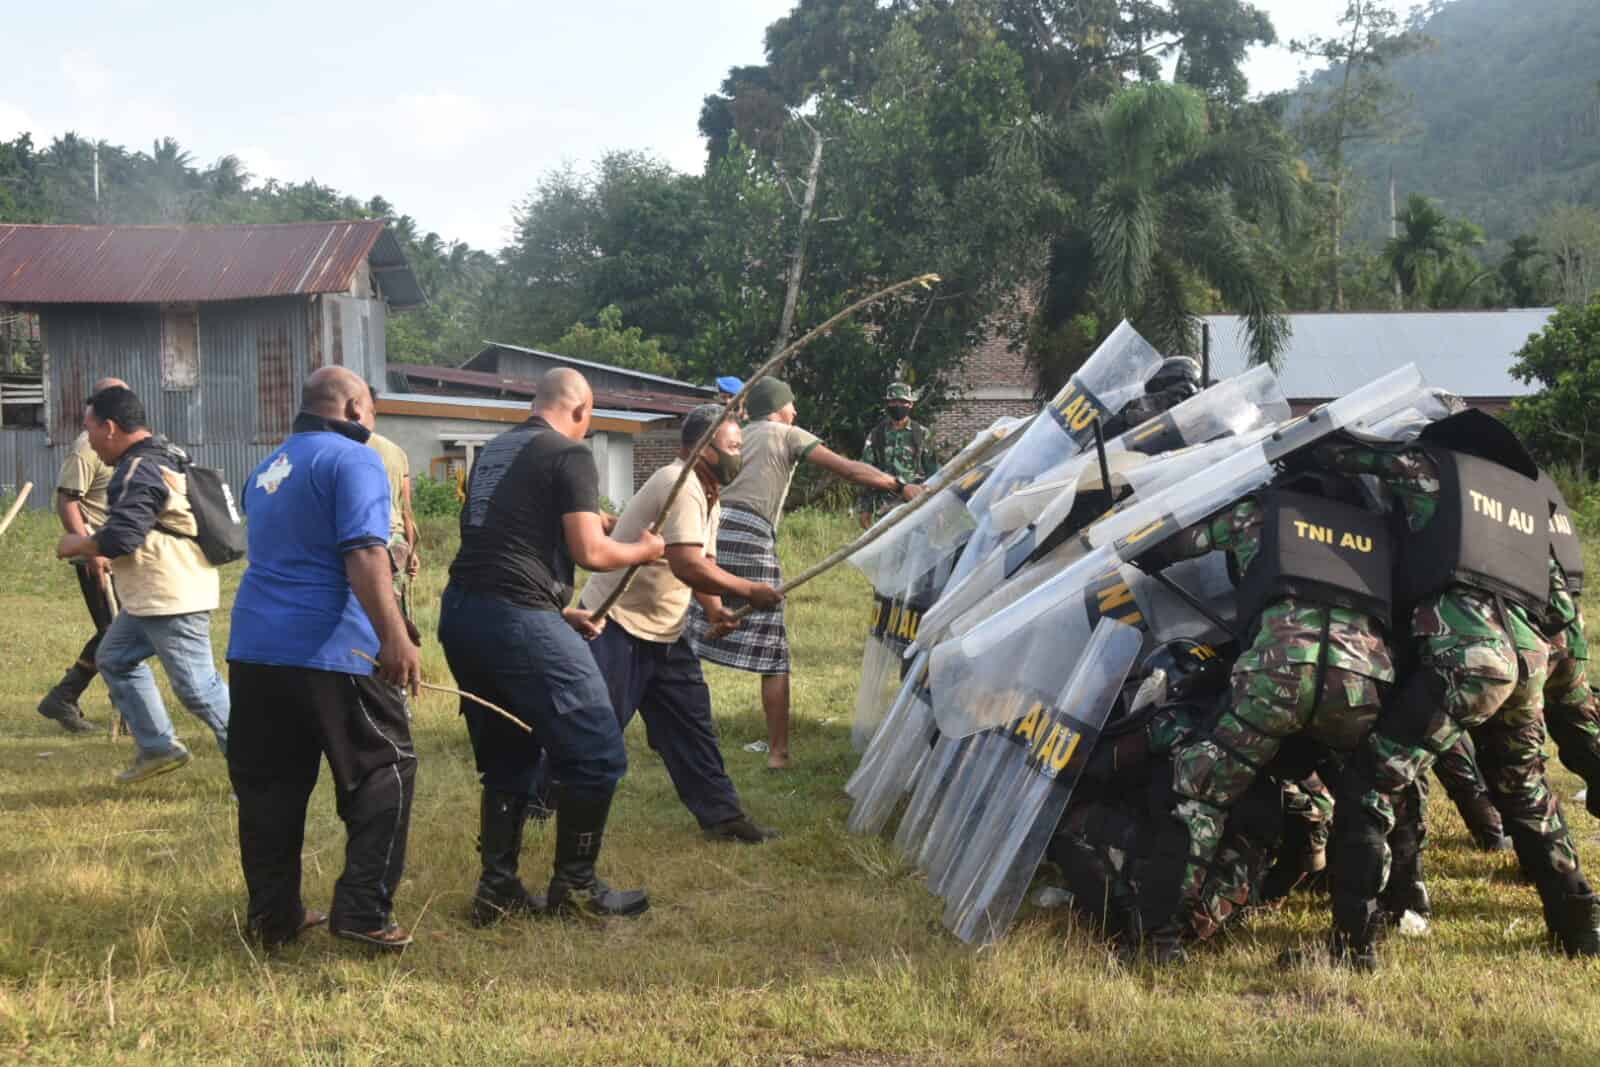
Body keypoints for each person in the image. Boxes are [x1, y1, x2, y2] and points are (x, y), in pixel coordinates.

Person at [1318, 410, 1599, 966]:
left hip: (1465, 659)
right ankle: (1581, 925)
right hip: (1527, 663)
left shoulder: (1431, 470)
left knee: (1371, 786)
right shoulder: (1522, 508)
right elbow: (1562, 608)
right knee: (1527, 794)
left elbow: (1341, 456)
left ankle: (1352, 946)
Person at [1133, 469, 1396, 960]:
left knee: (1201, 792)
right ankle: (1358, 946)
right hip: (1360, 681)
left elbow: (1169, 544)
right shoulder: (1377, 532)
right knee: (1365, 803)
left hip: (1278, 672)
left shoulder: (1261, 513)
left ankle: (1161, 941)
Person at [438, 368, 665, 925]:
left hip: (466, 615)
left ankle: (497, 889)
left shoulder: (495, 451)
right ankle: (576, 888)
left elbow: (503, 544)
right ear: (582, 411)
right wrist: (644, 548)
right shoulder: (569, 454)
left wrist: (558, 610)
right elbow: (591, 551)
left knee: (508, 757)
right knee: (597, 752)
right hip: (513, 619)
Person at [226, 367, 422, 952]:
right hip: (332, 647)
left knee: (269, 787)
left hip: (257, 649)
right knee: (383, 769)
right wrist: (393, 637)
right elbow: (363, 551)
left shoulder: (268, 469)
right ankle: (363, 911)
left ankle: (275, 918)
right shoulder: (354, 458)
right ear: (356, 406)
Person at [686, 377, 920, 770]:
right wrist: (899, 486)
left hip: (712, 530)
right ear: (779, 407)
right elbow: (848, 470)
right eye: (791, 404)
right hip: (753, 535)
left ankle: (682, 736)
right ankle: (778, 753)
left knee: (691, 638)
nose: (795, 411)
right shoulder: (786, 432)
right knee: (774, 654)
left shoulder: (739, 433)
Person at [577, 404, 782, 845]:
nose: (737, 456)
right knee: (593, 728)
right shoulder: (681, 483)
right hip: (615, 624)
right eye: (731, 447)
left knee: (692, 726)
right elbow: (688, 565)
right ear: (703, 447)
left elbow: (701, 560)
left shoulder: (709, 491)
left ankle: (723, 818)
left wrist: (712, 609)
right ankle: (539, 803)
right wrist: (748, 591)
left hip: (665, 631)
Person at [55, 386, 230, 785]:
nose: (89, 441)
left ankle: (260, 772)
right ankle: (157, 747)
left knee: (198, 690)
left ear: (111, 427)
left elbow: (122, 537)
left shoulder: (140, 467)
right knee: (114, 658)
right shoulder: (162, 455)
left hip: (171, 595)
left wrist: (77, 543)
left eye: (90, 429)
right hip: (153, 595)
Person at [38, 375, 129, 734]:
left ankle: (64, 697)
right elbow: (67, 501)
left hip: (118, 552)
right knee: (116, 630)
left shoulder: (119, 441)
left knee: (119, 630)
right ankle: (81, 700)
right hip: (96, 555)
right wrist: (91, 550)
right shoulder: (86, 447)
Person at [365, 390, 420, 617]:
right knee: (397, 618)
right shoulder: (395, 451)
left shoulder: (342, 448)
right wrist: (412, 550)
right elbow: (406, 509)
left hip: (364, 543)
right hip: (396, 542)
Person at [856, 382, 940, 529]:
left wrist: (938, 507)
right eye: (893, 401)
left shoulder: (921, 434)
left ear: (911, 404)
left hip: (917, 505)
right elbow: (866, 473)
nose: (898, 405)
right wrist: (865, 509)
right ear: (887, 404)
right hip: (886, 509)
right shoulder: (877, 435)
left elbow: (934, 473)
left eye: (903, 402)